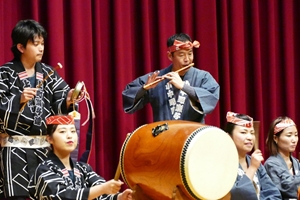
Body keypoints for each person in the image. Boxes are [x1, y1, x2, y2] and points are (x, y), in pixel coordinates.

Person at [0, 19, 78, 199]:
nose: (41, 48)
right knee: (16, 196)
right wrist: (18, 99)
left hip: (44, 149)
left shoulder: (49, 73)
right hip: (14, 149)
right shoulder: (4, 73)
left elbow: (62, 100)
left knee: (48, 195)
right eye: (36, 44)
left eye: (42, 43)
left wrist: (69, 99)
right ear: (21, 47)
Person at [28, 115, 132, 200]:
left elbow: (101, 193)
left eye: (73, 131)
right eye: (62, 131)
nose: (69, 136)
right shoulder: (44, 169)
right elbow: (62, 196)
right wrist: (102, 188)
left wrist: (120, 197)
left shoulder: (84, 169)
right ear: (50, 139)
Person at [122, 33, 219, 123]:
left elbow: (211, 98)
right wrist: (144, 88)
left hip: (193, 136)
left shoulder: (203, 77)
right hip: (163, 136)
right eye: (181, 55)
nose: (187, 59)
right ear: (170, 56)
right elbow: (128, 95)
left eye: (190, 53)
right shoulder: (157, 77)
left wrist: (184, 87)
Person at [224, 111, 281, 200]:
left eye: (252, 133)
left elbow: (273, 193)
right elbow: (235, 196)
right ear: (229, 136)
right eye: (243, 132)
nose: (250, 137)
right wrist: (252, 168)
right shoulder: (223, 163)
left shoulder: (255, 162)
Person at [264, 116, 300, 199]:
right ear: (275, 138)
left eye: (296, 135)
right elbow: (286, 190)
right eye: (289, 135)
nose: (294, 140)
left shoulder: (296, 162)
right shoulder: (271, 164)